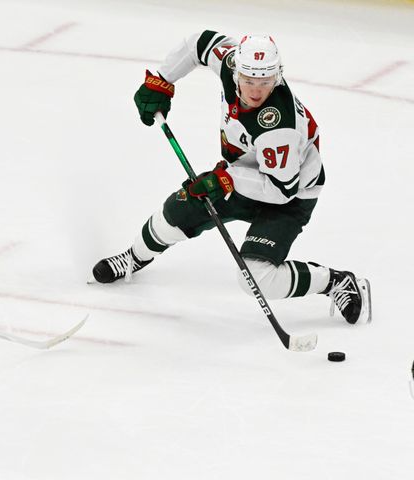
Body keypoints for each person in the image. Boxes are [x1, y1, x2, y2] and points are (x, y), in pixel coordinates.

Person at [92, 31, 371, 325]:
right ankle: (133, 258)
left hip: (291, 195)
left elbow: (281, 190)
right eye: (249, 80)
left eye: (264, 82)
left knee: (256, 278)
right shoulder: (230, 63)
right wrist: (161, 79)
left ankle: (336, 282)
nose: (255, 90)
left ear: (276, 77)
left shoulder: (279, 127)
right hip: (243, 176)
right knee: (177, 211)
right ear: (237, 69)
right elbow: (199, 43)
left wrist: (225, 181)